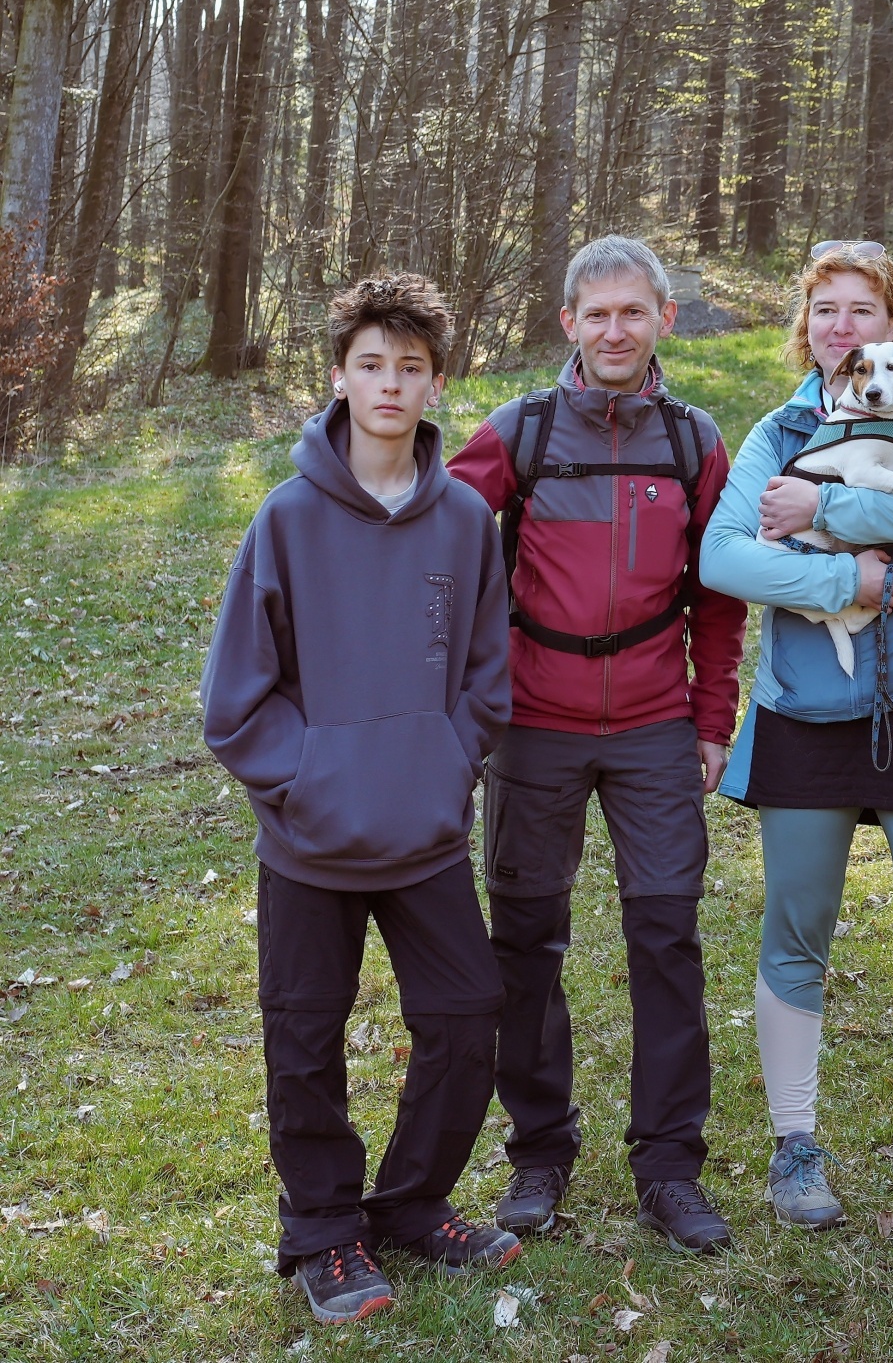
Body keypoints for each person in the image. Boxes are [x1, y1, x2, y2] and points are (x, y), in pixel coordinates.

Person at [202, 275, 517, 1325]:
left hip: (424, 834)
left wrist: (443, 762)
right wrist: (312, 780)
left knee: (466, 1017)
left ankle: (413, 1204)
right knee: (305, 1039)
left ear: (436, 384)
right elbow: (234, 700)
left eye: (410, 367)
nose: (390, 383)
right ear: (338, 377)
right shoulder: (287, 519)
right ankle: (323, 1233)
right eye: (371, 364)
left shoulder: (464, 520)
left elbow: (486, 677)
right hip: (310, 842)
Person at [697, 241, 893, 1229]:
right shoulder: (780, 428)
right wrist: (846, 578)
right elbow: (723, 557)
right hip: (804, 705)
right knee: (797, 930)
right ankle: (795, 1146)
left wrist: (823, 503)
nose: (842, 326)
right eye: (825, 310)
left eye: (861, 310)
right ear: (808, 328)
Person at [446, 236, 746, 1254]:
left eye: (634, 312)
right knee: (525, 943)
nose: (616, 331)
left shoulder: (694, 442)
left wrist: (712, 719)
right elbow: (434, 539)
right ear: (568, 323)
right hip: (533, 727)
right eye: (597, 313)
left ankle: (669, 1167)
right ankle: (539, 1151)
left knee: (666, 939)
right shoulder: (519, 432)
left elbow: (718, 597)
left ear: (665, 319)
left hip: (657, 729)